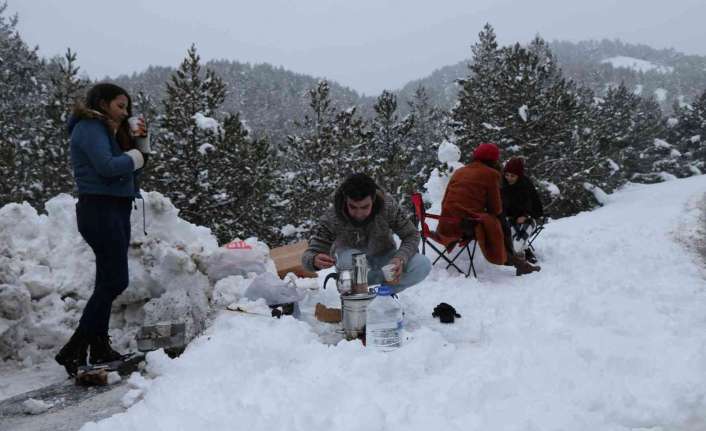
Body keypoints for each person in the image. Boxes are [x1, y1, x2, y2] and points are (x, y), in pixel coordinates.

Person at [55, 83, 149, 376]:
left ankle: (98, 347)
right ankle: (74, 349)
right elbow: (107, 167)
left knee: (106, 282)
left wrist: (141, 144)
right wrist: (135, 157)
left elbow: (131, 172)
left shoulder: (109, 130)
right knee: (115, 281)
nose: (124, 112)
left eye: (127, 108)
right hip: (99, 209)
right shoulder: (89, 127)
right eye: (120, 106)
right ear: (103, 103)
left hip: (116, 208)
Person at [302, 173, 431, 294]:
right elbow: (309, 255)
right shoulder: (333, 217)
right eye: (353, 207)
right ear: (346, 200)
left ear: (373, 200)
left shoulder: (387, 206)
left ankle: (384, 296)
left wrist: (400, 258)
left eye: (365, 207)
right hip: (352, 271)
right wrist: (314, 260)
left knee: (422, 264)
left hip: (385, 262)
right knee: (355, 259)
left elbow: (411, 235)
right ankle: (357, 298)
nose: (359, 213)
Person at [437, 143, 540, 276]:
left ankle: (515, 261)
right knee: (499, 220)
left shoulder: (460, 171)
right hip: (465, 225)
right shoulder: (491, 174)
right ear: (494, 160)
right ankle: (516, 262)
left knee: (494, 220)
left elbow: (444, 201)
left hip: (446, 224)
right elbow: (495, 208)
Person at [501, 157, 544, 263]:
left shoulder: (526, 185)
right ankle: (522, 253)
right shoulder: (501, 185)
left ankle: (519, 256)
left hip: (527, 220)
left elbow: (537, 208)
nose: (509, 178)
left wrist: (526, 216)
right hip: (508, 220)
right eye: (507, 175)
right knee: (511, 239)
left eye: (513, 176)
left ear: (519, 176)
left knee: (517, 241)